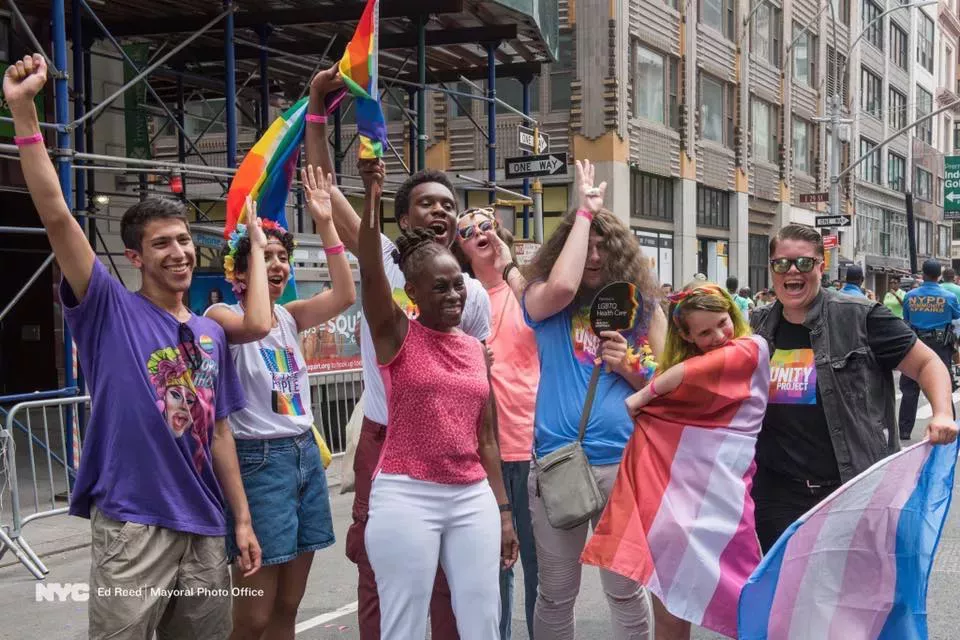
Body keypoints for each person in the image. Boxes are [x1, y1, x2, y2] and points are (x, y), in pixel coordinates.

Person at [6, 54, 260, 638]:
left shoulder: (210, 331)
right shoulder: (108, 308)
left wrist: (240, 521)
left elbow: (219, 431)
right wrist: (24, 112)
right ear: (135, 257)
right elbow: (56, 215)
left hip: (204, 524)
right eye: (163, 243)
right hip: (132, 527)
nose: (180, 253)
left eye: (185, 241)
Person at [304, 66, 491, 639]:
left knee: (457, 594)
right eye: (426, 204)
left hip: (457, 458)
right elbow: (322, 184)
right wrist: (317, 109)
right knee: (381, 581)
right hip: (386, 443)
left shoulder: (474, 294)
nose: (439, 211)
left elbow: (479, 392)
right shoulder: (381, 261)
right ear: (404, 217)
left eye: (448, 204)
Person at [356, 159, 518, 638]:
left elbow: (487, 439)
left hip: (472, 497)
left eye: (457, 287)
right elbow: (369, 265)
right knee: (402, 624)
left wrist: (504, 512)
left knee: (482, 620)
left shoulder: (473, 349)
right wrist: (373, 193)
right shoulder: (394, 335)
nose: (454, 296)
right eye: (440, 288)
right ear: (412, 292)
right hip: (407, 494)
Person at [205, 168, 356, 640]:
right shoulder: (221, 317)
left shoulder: (289, 318)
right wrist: (250, 240)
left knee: (289, 604)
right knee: (253, 615)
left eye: (281, 257)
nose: (276, 265)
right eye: (264, 257)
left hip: (304, 457)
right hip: (257, 464)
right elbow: (252, 325)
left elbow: (346, 292)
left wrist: (326, 222)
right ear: (239, 270)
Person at [522, 160, 665, 639]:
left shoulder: (643, 308)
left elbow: (669, 385)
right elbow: (562, 284)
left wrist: (632, 367)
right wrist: (583, 214)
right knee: (556, 592)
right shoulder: (544, 300)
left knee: (625, 591)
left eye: (606, 246)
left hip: (623, 466)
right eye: (586, 246)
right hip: (558, 463)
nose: (595, 256)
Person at [750, 225, 958, 552]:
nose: (792, 271)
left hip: (851, 491)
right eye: (782, 264)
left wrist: (943, 413)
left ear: (821, 265)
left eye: (804, 263)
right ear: (771, 270)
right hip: (777, 496)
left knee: (849, 599)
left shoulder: (860, 317)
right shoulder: (754, 328)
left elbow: (927, 363)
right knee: (785, 599)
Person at [583, 283, 768, 640]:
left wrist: (642, 397)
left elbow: (690, 374)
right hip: (675, 508)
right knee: (670, 610)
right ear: (684, 334)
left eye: (722, 322)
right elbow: (685, 376)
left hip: (723, 507)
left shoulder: (751, 348)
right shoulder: (684, 373)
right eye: (704, 331)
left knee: (744, 596)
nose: (718, 335)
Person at [454, 208, 539, 640]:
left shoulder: (525, 290)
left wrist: (512, 267)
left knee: (542, 574)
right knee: (494, 571)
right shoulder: (458, 297)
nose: (479, 232)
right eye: (467, 231)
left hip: (534, 446)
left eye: (486, 224)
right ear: (461, 247)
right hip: (481, 452)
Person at [898, 259, 960, 440]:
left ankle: (904, 430)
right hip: (941, 346)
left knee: (909, 388)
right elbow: (957, 317)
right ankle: (949, 425)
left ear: (923, 274)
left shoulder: (910, 296)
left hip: (914, 345)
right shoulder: (949, 297)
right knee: (942, 385)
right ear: (939, 276)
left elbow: (906, 318)